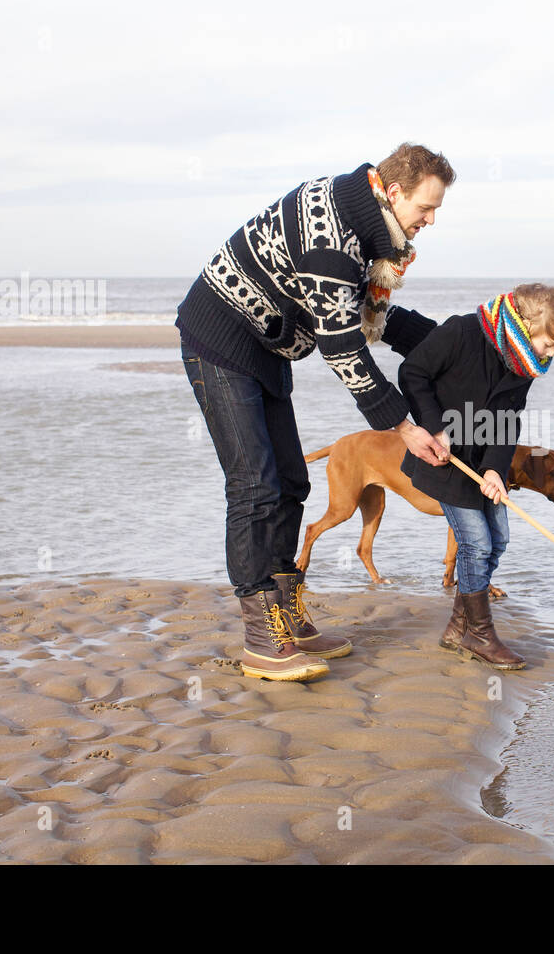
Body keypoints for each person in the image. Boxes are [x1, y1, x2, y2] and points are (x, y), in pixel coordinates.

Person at [177, 143, 455, 682]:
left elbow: (374, 317)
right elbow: (343, 345)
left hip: (266, 346)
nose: (431, 220)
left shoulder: (370, 231)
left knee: (291, 481)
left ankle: (288, 613)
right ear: (394, 193)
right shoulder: (333, 234)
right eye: (427, 207)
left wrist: (454, 342)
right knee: (254, 486)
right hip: (220, 340)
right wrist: (404, 428)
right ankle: (263, 637)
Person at [398, 284, 554, 669]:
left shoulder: (523, 364)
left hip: (484, 466)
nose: (548, 355)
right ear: (527, 324)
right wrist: (433, 427)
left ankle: (457, 626)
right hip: (444, 460)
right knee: (476, 545)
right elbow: (413, 373)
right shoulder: (461, 332)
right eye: (548, 343)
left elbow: (507, 419)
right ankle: (479, 636)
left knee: (498, 539)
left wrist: (497, 469)